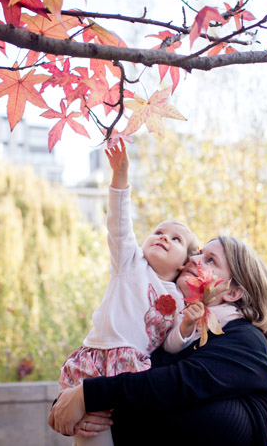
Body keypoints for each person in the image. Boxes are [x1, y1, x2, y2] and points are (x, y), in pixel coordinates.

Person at [49, 235, 267, 446]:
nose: (195, 258)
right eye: (199, 252)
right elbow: (117, 370)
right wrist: (73, 406)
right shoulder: (167, 329)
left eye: (211, 260)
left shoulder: (246, 340)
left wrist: (87, 395)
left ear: (232, 293)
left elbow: (178, 383)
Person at [57, 140, 198, 446]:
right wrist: (120, 178)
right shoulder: (130, 262)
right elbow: (119, 224)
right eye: (158, 232)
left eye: (175, 238)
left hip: (132, 368)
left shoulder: (178, 299)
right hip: (98, 355)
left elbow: (171, 344)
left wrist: (186, 327)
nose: (163, 237)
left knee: (128, 431)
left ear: (185, 262)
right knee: (89, 431)